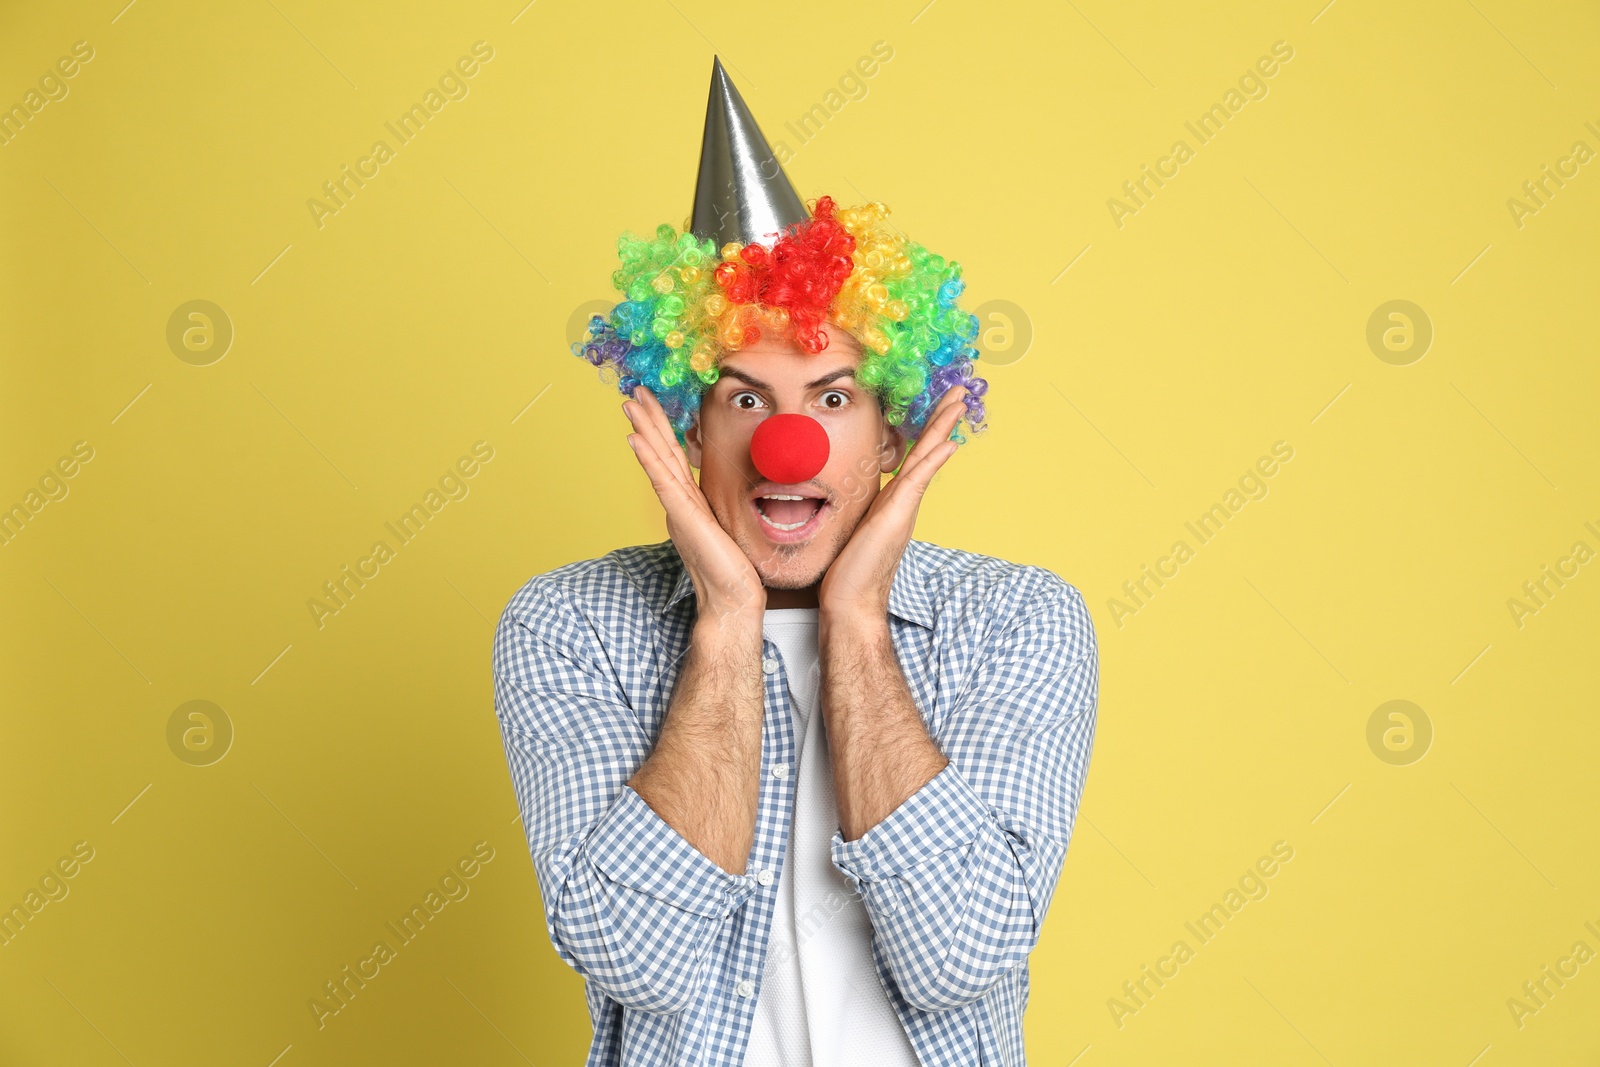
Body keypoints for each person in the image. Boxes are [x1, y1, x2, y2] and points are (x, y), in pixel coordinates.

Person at [492, 57, 1098, 1067]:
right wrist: (726, 622)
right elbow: (639, 960)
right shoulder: (570, 624)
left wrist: (855, 619)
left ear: (895, 431)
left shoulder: (1019, 621)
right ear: (685, 427)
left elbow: (964, 955)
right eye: (741, 398)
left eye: (830, 397)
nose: (788, 443)